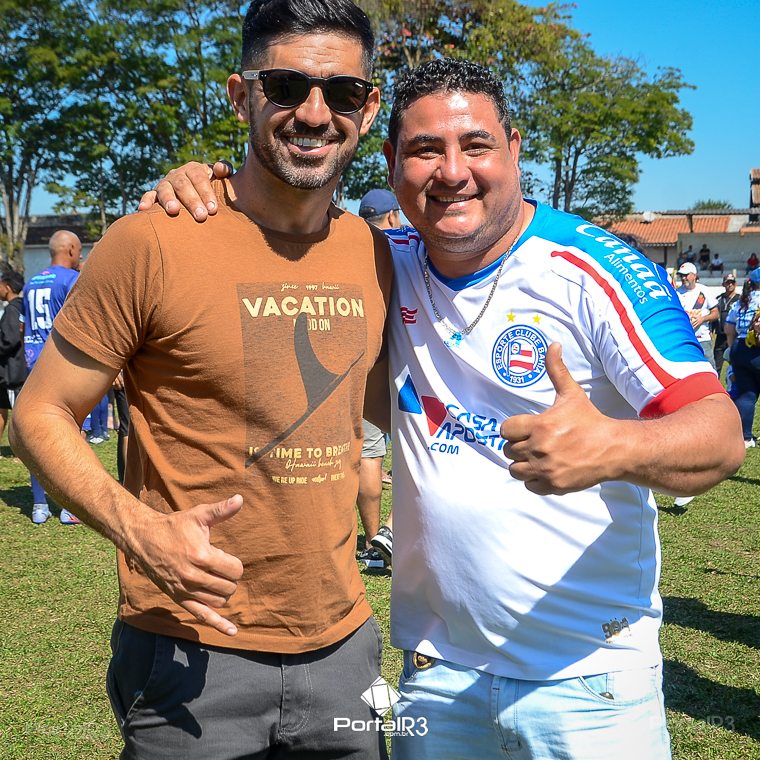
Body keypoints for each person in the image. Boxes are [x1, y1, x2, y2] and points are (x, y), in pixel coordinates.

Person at [147, 57, 744, 759]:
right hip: (434, 676)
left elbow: (719, 434)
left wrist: (613, 447)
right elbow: (272, 222)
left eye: (476, 145)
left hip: (588, 679)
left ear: (513, 149)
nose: (452, 171)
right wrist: (205, 184)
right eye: (426, 149)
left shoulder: (595, 268)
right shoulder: (379, 258)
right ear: (392, 162)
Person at [10, 2, 393, 758]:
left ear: (369, 107)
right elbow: (38, 414)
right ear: (241, 95)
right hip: (191, 654)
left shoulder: (376, 254)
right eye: (286, 86)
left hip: (345, 649)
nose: (315, 114)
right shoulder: (154, 239)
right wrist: (139, 530)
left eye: (342, 92)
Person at [20, 229, 81, 525]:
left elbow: (23, 327)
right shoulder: (71, 280)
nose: (80, 256)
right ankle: (68, 507)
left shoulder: (30, 283)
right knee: (71, 435)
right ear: (70, 250)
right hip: (62, 365)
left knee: (37, 434)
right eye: (79, 251)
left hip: (34, 365)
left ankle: (39, 504)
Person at [357, 188, 398, 566]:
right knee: (424, 451)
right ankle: (389, 532)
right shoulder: (402, 251)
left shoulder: (352, 248)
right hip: (402, 371)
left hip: (360, 367)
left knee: (368, 455)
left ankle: (375, 542)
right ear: (392, 216)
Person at [725, 268, 760, 448]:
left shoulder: (740, 301)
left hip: (739, 348)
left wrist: (732, 352)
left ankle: (745, 437)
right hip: (757, 349)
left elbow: (728, 329)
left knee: (747, 394)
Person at [0, 268, 27, 443]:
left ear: (7, 287)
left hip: (13, 373)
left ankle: (22, 449)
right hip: (10, 372)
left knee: (18, 414)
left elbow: (9, 339)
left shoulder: (12, 310)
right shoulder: (22, 306)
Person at [675, 262, 719, 367]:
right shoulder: (676, 293)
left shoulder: (704, 290)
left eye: (686, 275)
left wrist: (702, 319)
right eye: (681, 275)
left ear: (694, 275)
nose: (683, 278)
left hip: (703, 339)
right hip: (684, 339)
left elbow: (716, 313)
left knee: (709, 369)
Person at [713, 273, 739, 377]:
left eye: (732, 283)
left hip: (734, 335)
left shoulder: (740, 300)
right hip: (720, 335)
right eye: (728, 283)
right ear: (723, 284)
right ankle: (715, 384)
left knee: (735, 363)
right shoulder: (718, 299)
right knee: (716, 365)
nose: (730, 285)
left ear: (735, 284)